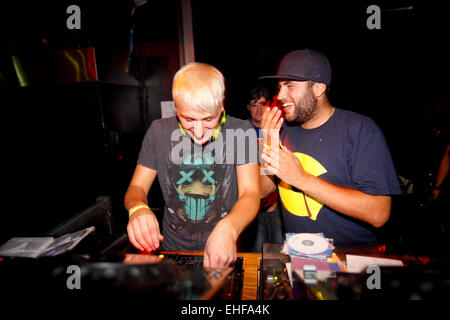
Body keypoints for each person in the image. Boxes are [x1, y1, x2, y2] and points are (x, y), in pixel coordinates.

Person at [258, 49, 401, 244]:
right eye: (279, 86)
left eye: (290, 86)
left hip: (348, 262)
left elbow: (379, 213)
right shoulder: (281, 129)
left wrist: (301, 179)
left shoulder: (359, 130)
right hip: (298, 256)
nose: (280, 95)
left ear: (318, 88)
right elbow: (263, 191)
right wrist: (268, 143)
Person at [124, 62, 260, 267]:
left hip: (223, 250)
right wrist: (138, 209)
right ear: (176, 107)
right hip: (172, 250)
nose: (198, 131)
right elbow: (136, 188)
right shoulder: (158, 132)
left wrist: (228, 228)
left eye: (208, 119)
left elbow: (250, 194)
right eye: (188, 119)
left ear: (221, 104)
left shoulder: (242, 131)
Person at [242, 87, 284, 252]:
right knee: (256, 247)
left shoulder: (280, 129)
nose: (259, 110)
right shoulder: (242, 130)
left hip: (277, 199)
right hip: (252, 199)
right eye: (254, 105)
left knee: (279, 246)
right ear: (248, 107)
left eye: (263, 104)